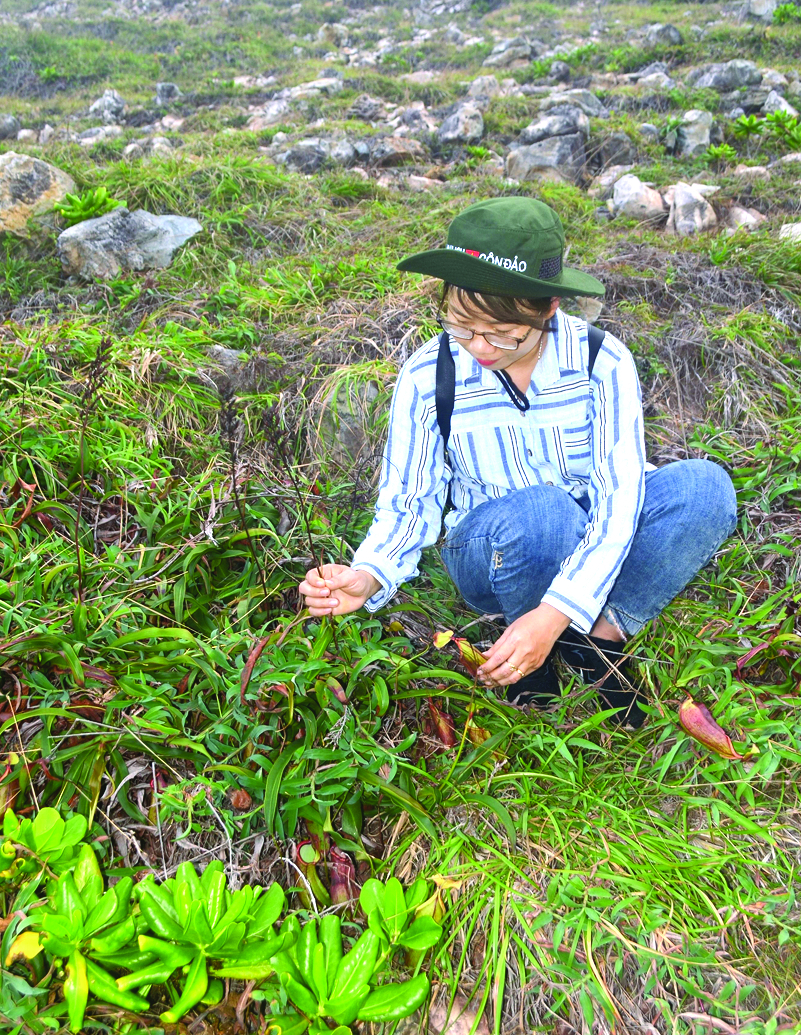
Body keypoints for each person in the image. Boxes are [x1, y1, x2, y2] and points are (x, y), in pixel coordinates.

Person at [299, 198, 737, 726]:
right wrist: (367, 575)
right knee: (543, 514)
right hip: (494, 549)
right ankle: (533, 672)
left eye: (503, 334)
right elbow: (410, 501)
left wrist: (555, 614)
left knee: (706, 489)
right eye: (462, 326)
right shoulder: (427, 375)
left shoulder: (603, 361)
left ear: (548, 308)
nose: (479, 347)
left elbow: (620, 500)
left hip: (590, 530)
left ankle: (596, 636)